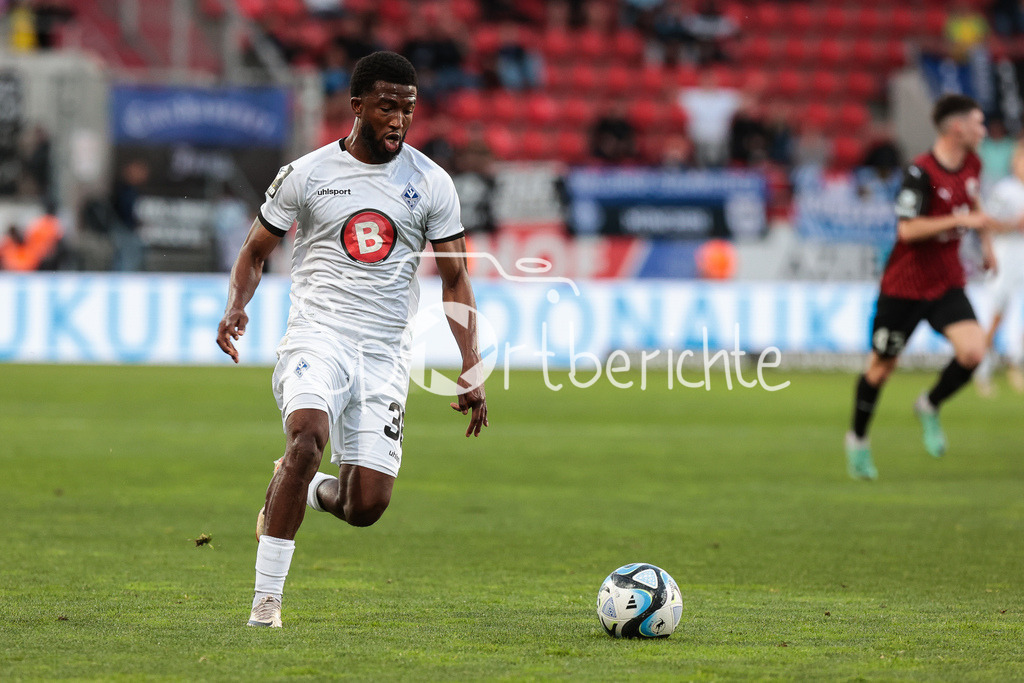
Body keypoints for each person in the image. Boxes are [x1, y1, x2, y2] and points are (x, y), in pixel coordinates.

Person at [216, 51, 489, 629]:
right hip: (319, 336)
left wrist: (472, 363)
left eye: (408, 109)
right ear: (358, 105)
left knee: (364, 506)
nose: (399, 120)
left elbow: (456, 279)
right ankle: (266, 604)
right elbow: (255, 251)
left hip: (385, 352)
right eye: (388, 107)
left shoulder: (431, 183)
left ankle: (297, 485)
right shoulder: (307, 173)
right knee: (307, 437)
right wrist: (237, 306)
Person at [844, 94, 1005, 481]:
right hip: (905, 286)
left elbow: (975, 206)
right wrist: (957, 221)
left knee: (973, 352)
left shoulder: (973, 164)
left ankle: (929, 404)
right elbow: (908, 230)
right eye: (978, 123)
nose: (983, 131)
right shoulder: (920, 173)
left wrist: (987, 248)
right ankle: (858, 440)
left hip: (947, 281)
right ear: (958, 128)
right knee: (881, 368)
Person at [976, 140, 1024, 395]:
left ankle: (1016, 363)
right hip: (1005, 256)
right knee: (996, 314)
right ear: (1015, 162)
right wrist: (1014, 224)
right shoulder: (1005, 190)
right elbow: (987, 222)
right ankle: (982, 368)